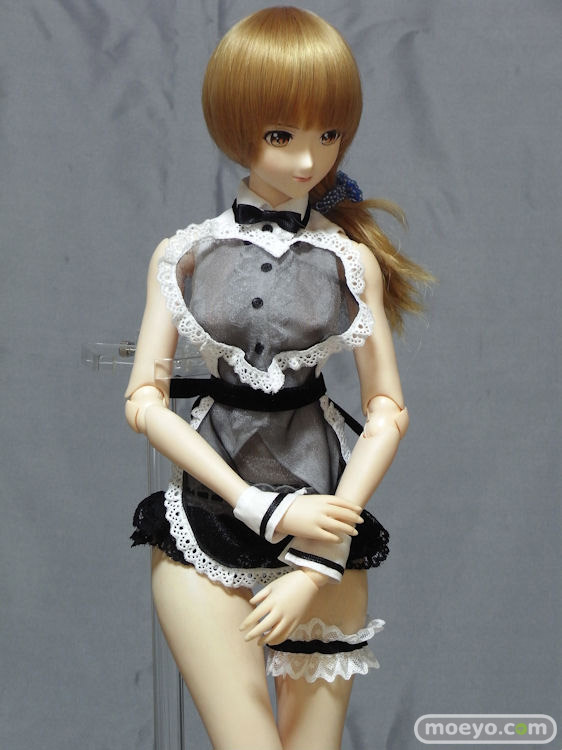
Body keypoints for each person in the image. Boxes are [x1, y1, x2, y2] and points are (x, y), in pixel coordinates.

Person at [125, 7, 432, 749]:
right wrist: (254, 505)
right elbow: (144, 400)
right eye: (281, 135)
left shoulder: (350, 261)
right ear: (236, 129)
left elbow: (388, 410)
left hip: (325, 531)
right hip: (209, 521)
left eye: (328, 136)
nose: (306, 161)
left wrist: (318, 556)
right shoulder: (184, 255)